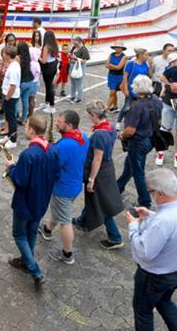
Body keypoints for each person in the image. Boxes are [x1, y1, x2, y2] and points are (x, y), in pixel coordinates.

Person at [111, 169, 177, 331]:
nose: (150, 195)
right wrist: (151, 216)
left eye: (150, 192)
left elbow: (144, 252)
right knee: (165, 303)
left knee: (143, 310)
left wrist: (133, 226)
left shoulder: (164, 221)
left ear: (160, 193)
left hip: (155, 276)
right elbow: (173, 227)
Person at [6, 115, 61, 288]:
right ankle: (25, 260)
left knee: (18, 234)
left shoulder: (28, 154)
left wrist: (11, 167)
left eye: (27, 126)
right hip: (41, 201)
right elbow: (57, 174)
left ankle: (34, 270)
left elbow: (20, 180)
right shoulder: (53, 150)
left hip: (24, 202)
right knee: (31, 232)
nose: (25, 128)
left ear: (32, 130)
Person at [74, 101, 125, 249]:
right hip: (107, 169)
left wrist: (91, 179)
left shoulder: (99, 135)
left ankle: (115, 237)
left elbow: (97, 158)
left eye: (90, 115)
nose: (89, 118)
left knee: (102, 204)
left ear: (95, 115)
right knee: (94, 198)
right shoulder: (110, 128)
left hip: (99, 173)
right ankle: (82, 221)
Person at [40, 110, 89, 264]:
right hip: (75, 184)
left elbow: (53, 166)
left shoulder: (64, 145)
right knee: (60, 211)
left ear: (69, 125)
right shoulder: (83, 137)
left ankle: (67, 254)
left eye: (59, 121)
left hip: (62, 188)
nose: (56, 123)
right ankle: (47, 230)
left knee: (65, 221)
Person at [117, 76, 162, 210]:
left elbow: (130, 131)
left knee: (138, 172)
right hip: (150, 139)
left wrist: (121, 135)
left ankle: (145, 201)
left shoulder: (137, 106)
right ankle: (118, 187)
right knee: (130, 165)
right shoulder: (155, 100)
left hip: (138, 142)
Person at [119, 48, 152, 125]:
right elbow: (125, 77)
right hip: (132, 89)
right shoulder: (131, 63)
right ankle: (119, 121)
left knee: (138, 107)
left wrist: (150, 65)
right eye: (146, 54)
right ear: (140, 55)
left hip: (142, 90)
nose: (148, 56)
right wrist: (126, 89)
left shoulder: (145, 64)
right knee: (126, 107)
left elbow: (149, 76)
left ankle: (132, 122)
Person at [1, 45, 21, 147]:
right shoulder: (14, 64)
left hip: (10, 96)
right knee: (9, 118)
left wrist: (7, 98)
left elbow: (13, 86)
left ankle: (13, 141)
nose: (3, 55)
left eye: (4, 53)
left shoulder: (13, 68)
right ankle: (8, 136)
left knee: (11, 119)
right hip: (10, 95)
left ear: (8, 55)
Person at [17, 42, 38, 126]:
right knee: (25, 101)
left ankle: (15, 117)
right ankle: (23, 120)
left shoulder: (18, 58)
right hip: (30, 81)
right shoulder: (28, 57)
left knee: (16, 101)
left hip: (22, 82)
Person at [39, 31, 59, 113]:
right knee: (49, 86)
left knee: (49, 87)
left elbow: (43, 61)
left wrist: (37, 56)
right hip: (53, 65)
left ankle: (52, 106)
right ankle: (47, 103)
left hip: (47, 67)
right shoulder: (55, 45)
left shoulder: (46, 47)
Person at [69, 36, 90, 102]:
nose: (75, 45)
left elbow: (84, 61)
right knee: (72, 83)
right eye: (74, 44)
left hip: (80, 67)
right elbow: (71, 55)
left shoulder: (84, 49)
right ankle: (72, 96)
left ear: (80, 42)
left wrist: (75, 59)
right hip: (72, 66)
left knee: (79, 83)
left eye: (76, 44)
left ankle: (79, 98)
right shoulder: (74, 47)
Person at [106, 45, 127, 112]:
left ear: (122, 49)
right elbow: (106, 65)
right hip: (111, 76)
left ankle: (106, 108)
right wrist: (113, 66)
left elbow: (119, 67)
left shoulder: (124, 56)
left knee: (112, 92)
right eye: (116, 47)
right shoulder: (111, 54)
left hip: (119, 77)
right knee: (113, 92)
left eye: (118, 47)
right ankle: (115, 106)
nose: (117, 48)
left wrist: (111, 65)